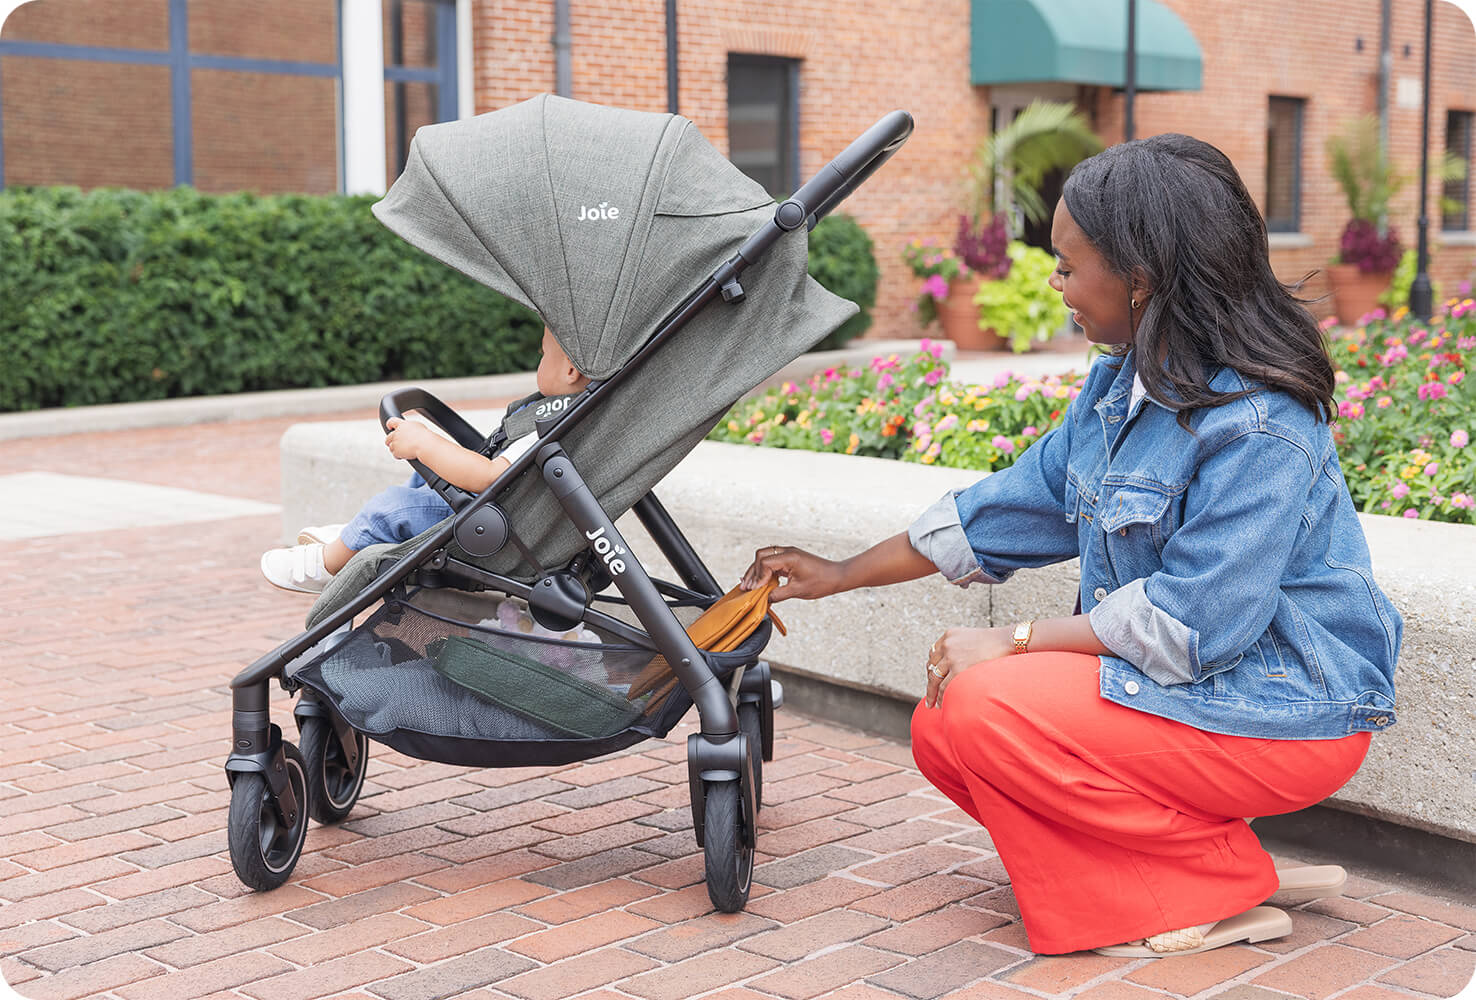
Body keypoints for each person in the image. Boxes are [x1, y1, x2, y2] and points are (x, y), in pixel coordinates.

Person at [741, 134, 1401, 958]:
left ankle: (1204, 883)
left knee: (984, 705)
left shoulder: (1261, 426)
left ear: (1141, 278)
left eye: (1065, 265)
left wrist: (1013, 641)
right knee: (943, 726)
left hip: (1287, 706)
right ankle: (1208, 862)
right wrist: (836, 574)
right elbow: (1004, 510)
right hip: (1193, 696)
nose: (1053, 285)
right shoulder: (1116, 387)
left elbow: (1195, 625)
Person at [261, 327, 590, 593]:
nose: (539, 360)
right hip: (494, 505)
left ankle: (328, 563)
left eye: (543, 353)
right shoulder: (568, 416)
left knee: (392, 507)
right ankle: (354, 535)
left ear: (571, 370)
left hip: (485, 521)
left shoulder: (548, 427)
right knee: (424, 479)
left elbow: (489, 476)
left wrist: (425, 443)